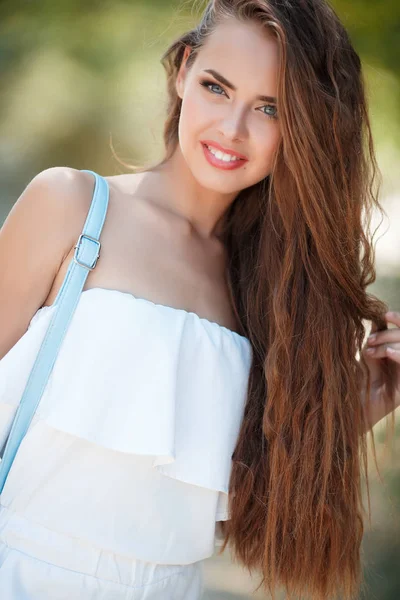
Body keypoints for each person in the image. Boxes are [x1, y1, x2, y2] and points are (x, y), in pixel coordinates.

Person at [0, 0, 399, 599]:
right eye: (217, 87)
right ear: (184, 71)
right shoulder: (72, 207)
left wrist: (358, 407)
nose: (232, 130)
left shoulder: (273, 299)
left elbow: (213, 513)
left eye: (269, 108)